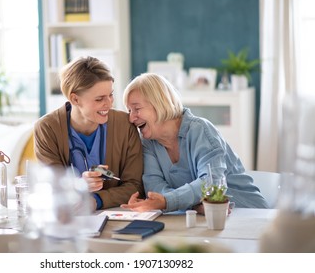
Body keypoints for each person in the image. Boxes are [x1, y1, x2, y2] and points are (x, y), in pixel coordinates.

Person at [121, 73, 268, 214]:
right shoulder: (148, 143)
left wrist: (169, 201)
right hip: (206, 219)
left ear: (159, 103)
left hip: (248, 214)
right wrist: (194, 206)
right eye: (129, 110)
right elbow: (155, 188)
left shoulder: (200, 130)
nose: (131, 118)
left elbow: (211, 183)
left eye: (137, 109)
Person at [34, 56, 144, 211]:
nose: (109, 103)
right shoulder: (47, 129)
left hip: (117, 215)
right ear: (75, 99)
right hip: (70, 219)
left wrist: (96, 200)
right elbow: (52, 189)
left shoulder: (125, 125)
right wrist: (78, 185)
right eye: (99, 99)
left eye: (110, 95)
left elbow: (135, 186)